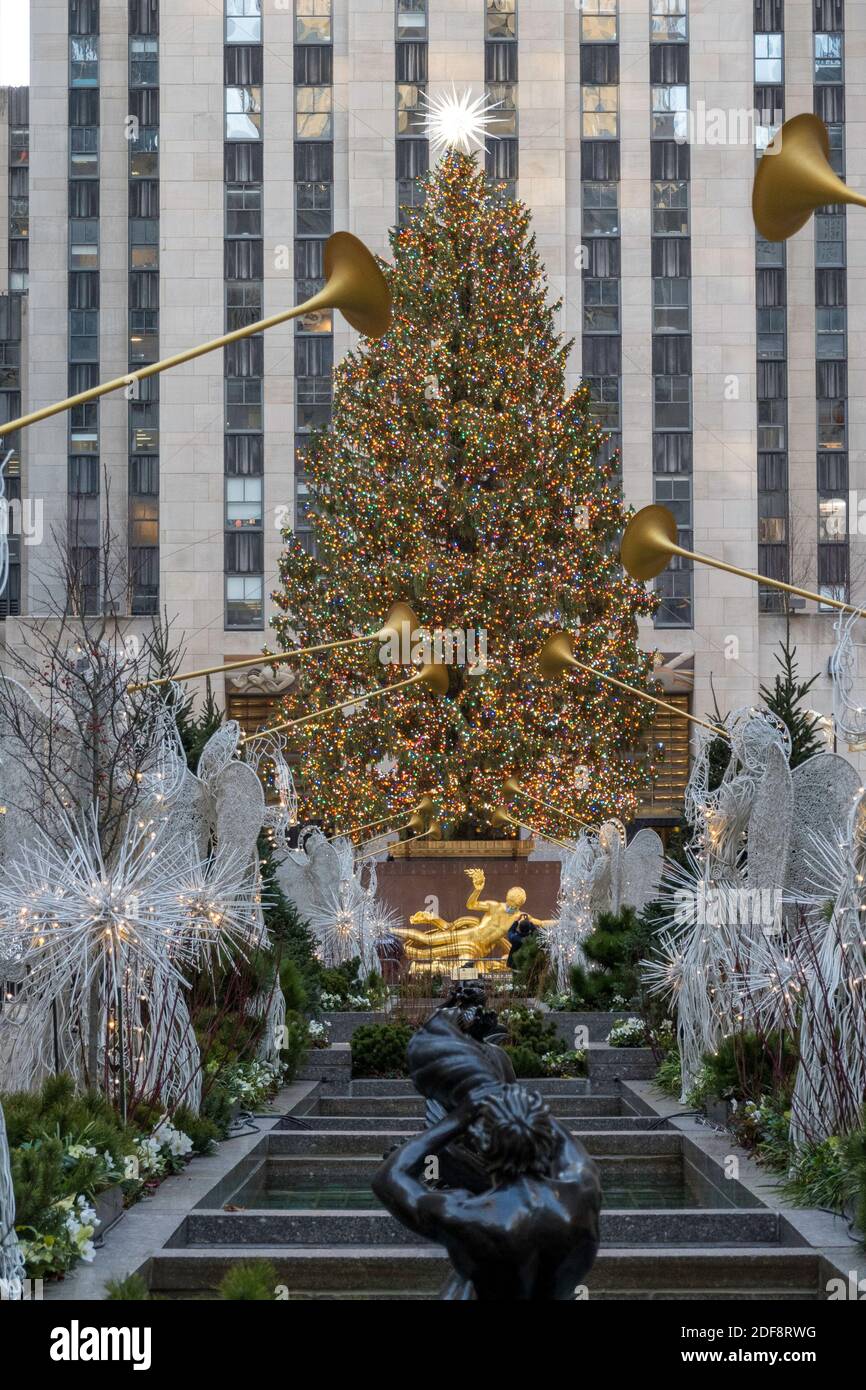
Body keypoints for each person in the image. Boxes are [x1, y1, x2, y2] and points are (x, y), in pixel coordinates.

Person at [372, 1080, 601, 1301]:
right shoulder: (581, 1192)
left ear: (483, 1145)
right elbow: (567, 1143)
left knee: (466, 1280)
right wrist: (522, 1106)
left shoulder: (467, 1216)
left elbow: (388, 1177)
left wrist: (460, 1117)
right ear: (543, 1135)